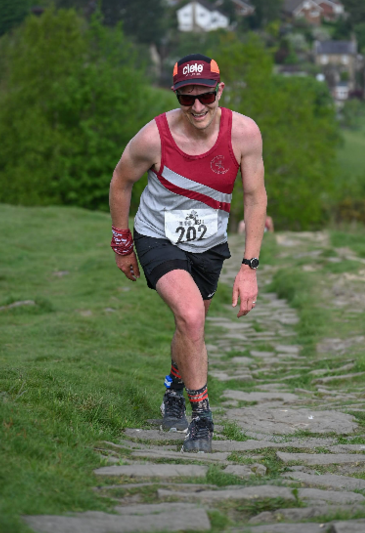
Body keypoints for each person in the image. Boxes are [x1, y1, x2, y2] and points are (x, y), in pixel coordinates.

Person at [108, 53, 268, 453]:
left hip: (209, 244)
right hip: (157, 236)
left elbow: (254, 196)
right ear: (176, 94)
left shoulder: (244, 133)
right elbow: (121, 181)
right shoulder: (152, 137)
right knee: (191, 316)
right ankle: (202, 421)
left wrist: (249, 267)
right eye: (186, 98)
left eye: (206, 96)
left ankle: (174, 388)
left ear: (220, 91)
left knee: (191, 327)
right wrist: (122, 242)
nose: (197, 107)